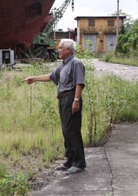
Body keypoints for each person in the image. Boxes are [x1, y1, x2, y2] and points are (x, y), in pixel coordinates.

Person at [23, 38, 86, 175]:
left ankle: (79, 163)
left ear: (68, 50)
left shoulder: (76, 63)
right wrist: (34, 79)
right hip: (63, 99)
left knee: (72, 130)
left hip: (71, 98)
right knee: (66, 130)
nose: (58, 50)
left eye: (61, 48)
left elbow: (79, 83)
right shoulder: (64, 65)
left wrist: (76, 100)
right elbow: (51, 76)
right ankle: (70, 160)